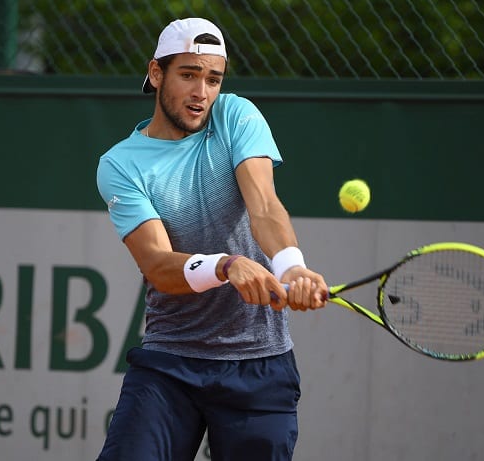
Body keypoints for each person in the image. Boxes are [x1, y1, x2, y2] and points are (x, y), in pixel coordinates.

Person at [95, 17, 328, 461]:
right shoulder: (121, 164)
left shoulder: (236, 115)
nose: (202, 92)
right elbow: (158, 265)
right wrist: (225, 265)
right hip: (170, 364)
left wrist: (291, 266)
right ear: (157, 73)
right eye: (188, 75)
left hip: (259, 364)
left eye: (213, 78)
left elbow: (263, 206)